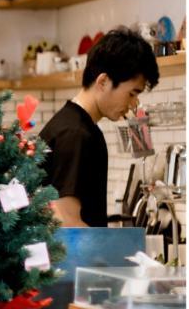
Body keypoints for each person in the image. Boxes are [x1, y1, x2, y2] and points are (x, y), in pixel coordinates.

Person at [40, 27, 159, 227]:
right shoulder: (75, 134)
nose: (134, 104)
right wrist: (108, 256)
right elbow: (66, 220)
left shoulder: (73, 125)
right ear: (103, 81)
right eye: (131, 93)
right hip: (74, 259)